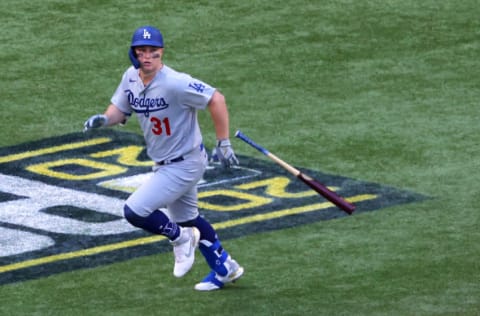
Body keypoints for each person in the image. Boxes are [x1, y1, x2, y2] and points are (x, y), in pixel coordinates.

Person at [83, 25, 244, 291]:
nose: (147, 57)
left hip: (185, 163)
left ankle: (180, 239)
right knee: (189, 219)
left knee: (135, 211)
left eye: (153, 52)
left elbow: (216, 98)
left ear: (162, 53)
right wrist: (104, 119)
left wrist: (223, 142)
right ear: (134, 52)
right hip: (166, 162)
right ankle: (225, 267)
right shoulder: (130, 78)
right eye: (142, 51)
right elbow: (120, 110)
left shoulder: (175, 83)